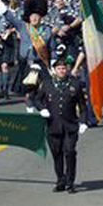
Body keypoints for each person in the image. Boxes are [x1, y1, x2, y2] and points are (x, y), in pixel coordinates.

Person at [34, 59, 86, 193]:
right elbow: (37, 99)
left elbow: (82, 106)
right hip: (53, 126)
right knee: (57, 154)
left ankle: (70, 182)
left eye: (64, 68)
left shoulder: (75, 84)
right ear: (54, 70)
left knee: (69, 152)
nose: (62, 71)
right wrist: (42, 109)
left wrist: (83, 121)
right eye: (59, 69)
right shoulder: (47, 84)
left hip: (70, 126)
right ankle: (60, 180)